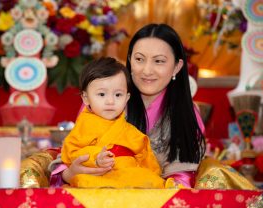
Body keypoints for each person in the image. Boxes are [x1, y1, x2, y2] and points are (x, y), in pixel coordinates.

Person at [20, 23, 256, 190]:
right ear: (129, 60)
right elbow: (70, 154)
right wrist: (71, 173)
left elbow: (183, 174)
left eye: (159, 61)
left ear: (176, 67)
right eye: (139, 59)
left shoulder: (187, 114)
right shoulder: (105, 101)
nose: (147, 70)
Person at [55, 57, 165, 188]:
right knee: (85, 182)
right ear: (86, 98)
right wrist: (95, 158)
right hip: (97, 175)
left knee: (153, 181)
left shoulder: (130, 130)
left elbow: (146, 155)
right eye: (101, 94)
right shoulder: (84, 126)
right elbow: (70, 154)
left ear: (127, 98)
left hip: (128, 174)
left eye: (118, 95)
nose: (110, 101)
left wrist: (153, 172)